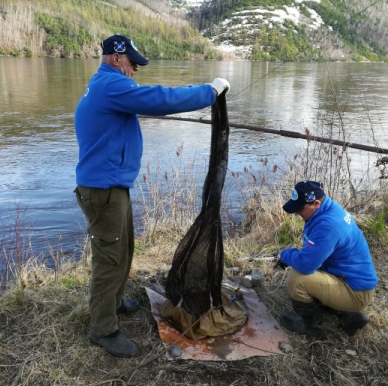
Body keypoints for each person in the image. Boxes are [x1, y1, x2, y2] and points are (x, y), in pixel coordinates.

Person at [73, 34, 230, 357]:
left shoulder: (107, 85)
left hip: (111, 186)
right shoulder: (111, 85)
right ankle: (102, 329)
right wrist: (209, 92)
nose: (136, 69)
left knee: (124, 249)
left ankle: (114, 303)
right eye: (133, 62)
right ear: (116, 58)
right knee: (110, 259)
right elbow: (160, 99)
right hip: (103, 191)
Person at [277, 181, 378, 337]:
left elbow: (305, 265)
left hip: (355, 292)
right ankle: (350, 317)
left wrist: (285, 255)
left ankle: (311, 326)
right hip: (350, 281)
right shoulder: (328, 209)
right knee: (312, 267)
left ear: (316, 203)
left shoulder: (329, 225)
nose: (297, 212)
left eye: (300, 208)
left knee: (297, 278)